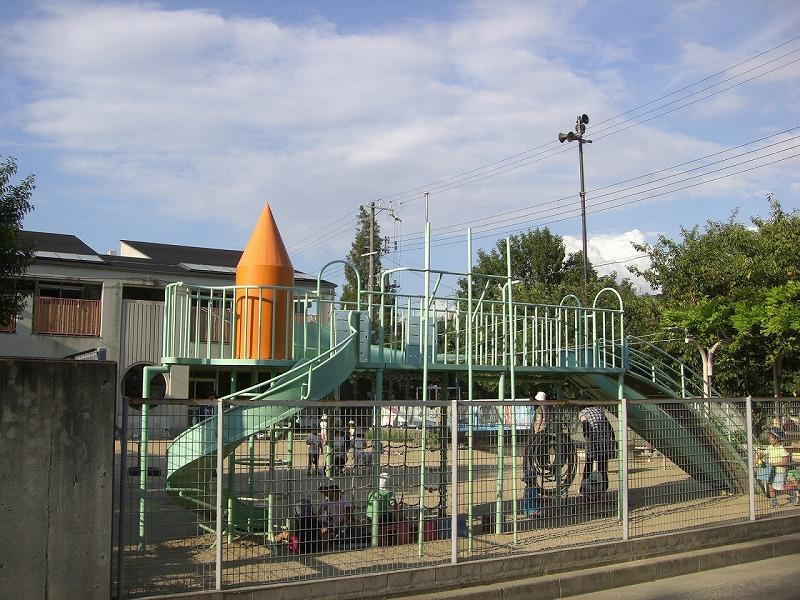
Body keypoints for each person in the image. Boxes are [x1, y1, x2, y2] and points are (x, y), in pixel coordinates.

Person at [578, 406, 616, 497]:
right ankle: (603, 489)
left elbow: (585, 424)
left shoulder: (583, 413)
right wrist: (613, 437)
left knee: (588, 465)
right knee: (602, 467)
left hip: (592, 439)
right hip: (604, 440)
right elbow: (608, 424)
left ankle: (583, 489)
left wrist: (588, 440)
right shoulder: (599, 410)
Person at [757, 427, 791, 508]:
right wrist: (759, 456)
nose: (769, 439)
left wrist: (774, 464)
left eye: (771, 437)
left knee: (779, 488)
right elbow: (763, 454)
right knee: (770, 485)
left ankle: (792, 493)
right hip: (771, 471)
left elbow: (785, 461)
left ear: (776, 439)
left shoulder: (781, 449)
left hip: (779, 471)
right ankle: (774, 502)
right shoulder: (770, 447)